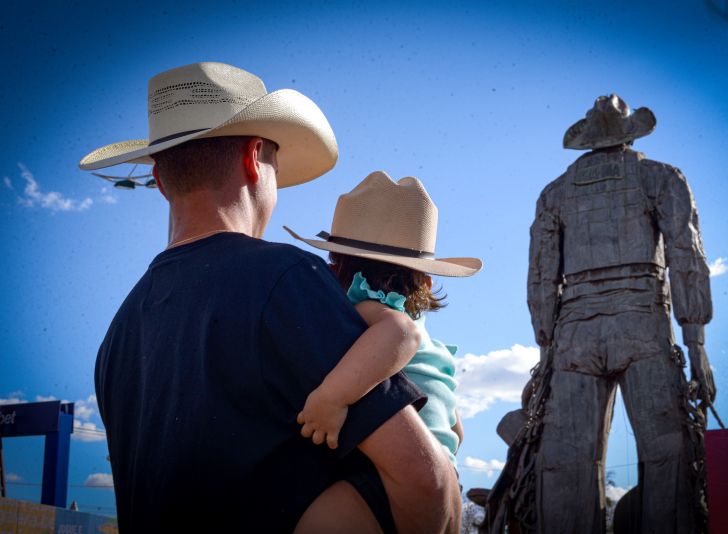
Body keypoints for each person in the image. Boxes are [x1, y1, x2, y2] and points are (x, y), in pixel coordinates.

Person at [80, 62, 461, 533]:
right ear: (253, 156)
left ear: (159, 179)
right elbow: (425, 481)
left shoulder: (117, 336)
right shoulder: (285, 279)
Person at [483, 94, 714, 534]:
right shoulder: (659, 177)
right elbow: (686, 255)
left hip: (573, 336)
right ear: (631, 132)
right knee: (670, 457)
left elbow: (540, 276)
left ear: (588, 138)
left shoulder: (555, 192)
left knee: (565, 467)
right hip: (642, 323)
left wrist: (547, 344)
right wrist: (695, 342)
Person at [284, 171, 482, 467]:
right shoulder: (435, 349)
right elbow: (455, 426)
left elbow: (401, 332)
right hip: (442, 463)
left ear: (336, 270)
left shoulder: (370, 312)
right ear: (425, 284)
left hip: (403, 466)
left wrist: (332, 397)